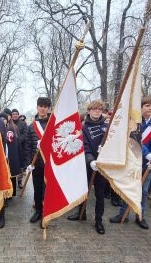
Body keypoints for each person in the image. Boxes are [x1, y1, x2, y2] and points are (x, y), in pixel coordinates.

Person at [109, 96, 151, 230]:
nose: (150, 108)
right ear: (141, 107)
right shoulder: (134, 121)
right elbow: (136, 140)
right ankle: (124, 213)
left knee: (144, 191)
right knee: (129, 188)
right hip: (133, 160)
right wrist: (147, 153)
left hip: (148, 163)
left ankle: (140, 216)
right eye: (147, 105)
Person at [67, 100, 108, 235]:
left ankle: (98, 220)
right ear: (89, 111)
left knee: (100, 195)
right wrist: (90, 160)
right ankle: (81, 213)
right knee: (82, 191)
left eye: (100, 109)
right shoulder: (82, 127)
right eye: (94, 109)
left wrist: (107, 149)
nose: (97, 111)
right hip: (87, 164)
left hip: (101, 166)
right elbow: (83, 146)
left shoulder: (107, 127)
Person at [24, 97, 51, 225]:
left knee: (48, 189)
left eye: (45, 106)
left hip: (50, 164)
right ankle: (38, 211)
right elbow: (28, 146)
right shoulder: (31, 127)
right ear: (37, 107)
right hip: (36, 164)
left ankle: (47, 211)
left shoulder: (53, 125)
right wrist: (29, 163)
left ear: (48, 108)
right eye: (40, 106)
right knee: (37, 188)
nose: (42, 108)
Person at [11, 109, 27, 187]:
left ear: (18, 115)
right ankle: (12, 183)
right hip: (12, 148)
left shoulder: (23, 124)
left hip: (21, 147)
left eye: (16, 114)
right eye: (13, 114)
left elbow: (25, 134)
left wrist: (18, 140)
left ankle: (20, 181)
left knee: (20, 165)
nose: (15, 115)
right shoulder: (9, 123)